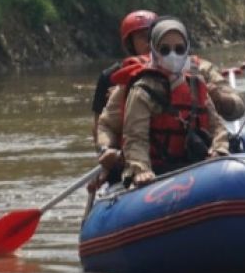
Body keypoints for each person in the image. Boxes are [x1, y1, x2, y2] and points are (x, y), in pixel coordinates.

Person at [95, 17, 229, 187]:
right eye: (164, 50)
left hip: (193, 166)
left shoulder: (195, 83)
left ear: (187, 49)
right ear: (154, 50)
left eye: (179, 49)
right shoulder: (141, 89)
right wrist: (140, 169)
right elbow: (135, 137)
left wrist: (219, 148)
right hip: (155, 170)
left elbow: (217, 126)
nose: (172, 55)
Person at [91, 11, 245, 152]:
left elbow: (238, 108)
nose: (148, 43)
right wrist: (106, 150)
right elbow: (105, 125)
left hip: (199, 154)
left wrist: (220, 99)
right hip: (152, 165)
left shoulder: (200, 70)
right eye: (144, 37)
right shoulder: (129, 79)